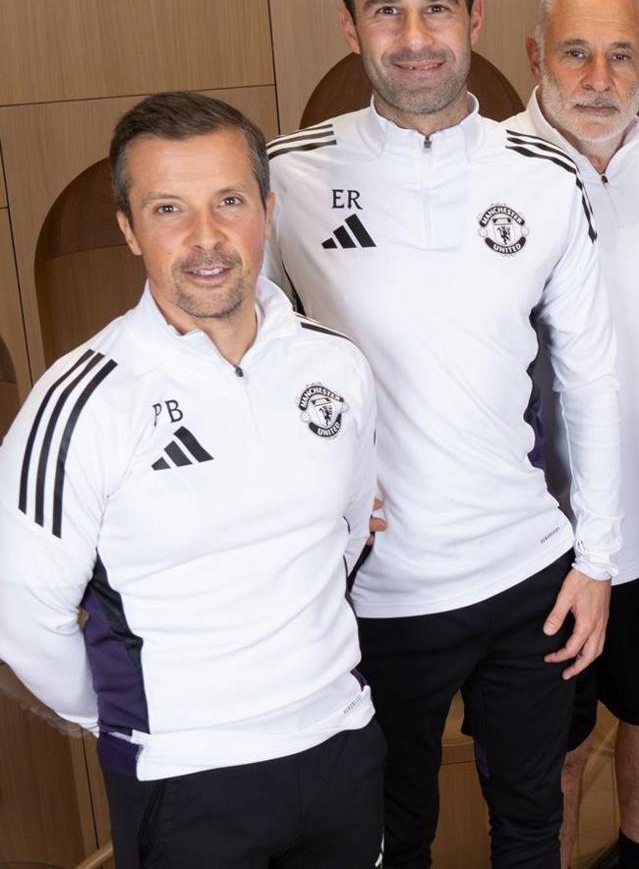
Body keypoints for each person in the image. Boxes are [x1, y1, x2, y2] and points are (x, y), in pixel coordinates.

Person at [268, 0, 621, 868]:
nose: (414, 39)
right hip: (373, 595)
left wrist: (596, 561)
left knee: (533, 827)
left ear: (471, 16)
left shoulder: (548, 177)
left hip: (529, 580)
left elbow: (591, 380)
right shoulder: (286, 181)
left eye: (436, 9)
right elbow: (248, 374)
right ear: (350, 26)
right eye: (386, 12)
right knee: (393, 838)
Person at [0, 92, 383, 866]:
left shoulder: (334, 365)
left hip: (341, 741)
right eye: (169, 208)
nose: (206, 238)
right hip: (187, 773)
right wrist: (125, 712)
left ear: (267, 211)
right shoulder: (83, 402)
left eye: (229, 202)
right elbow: (20, 612)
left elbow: (346, 538)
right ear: (129, 229)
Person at [507, 0, 639, 869]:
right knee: (559, 744)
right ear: (535, 59)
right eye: (576, 53)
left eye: (621, 55)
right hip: (543, 542)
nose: (598, 76)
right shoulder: (490, 169)